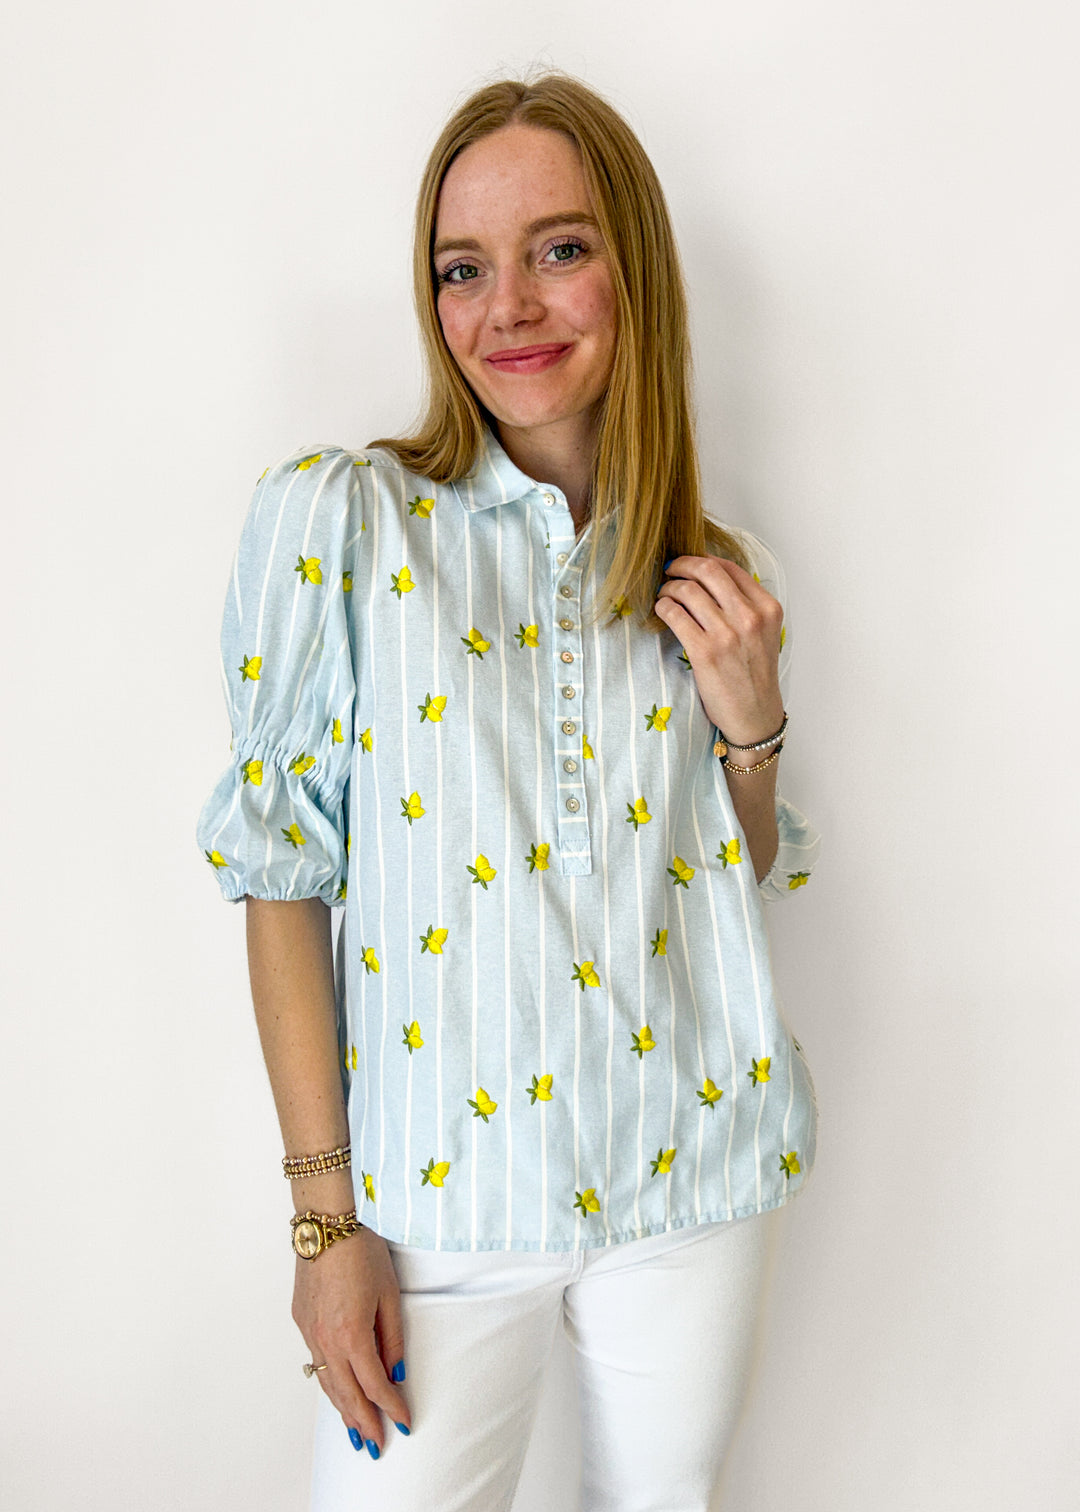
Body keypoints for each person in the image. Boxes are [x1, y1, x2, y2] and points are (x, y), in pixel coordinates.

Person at [195, 71, 822, 1512]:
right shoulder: (344, 523)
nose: (509, 308)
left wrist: (754, 730)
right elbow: (279, 878)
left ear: (634, 269)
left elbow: (724, 890)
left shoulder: (720, 573)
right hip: (438, 1210)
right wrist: (323, 1228)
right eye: (462, 268)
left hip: (694, 1180)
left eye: (560, 249)